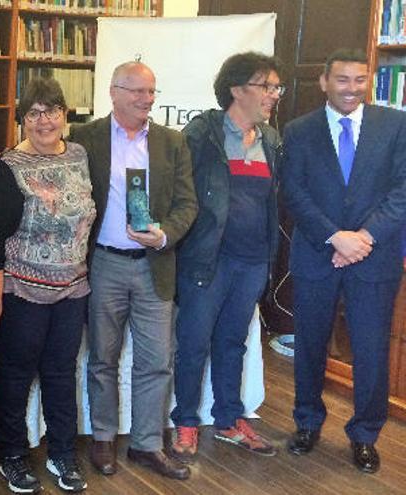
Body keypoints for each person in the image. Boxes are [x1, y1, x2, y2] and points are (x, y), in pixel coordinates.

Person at [69, 61, 197, 481]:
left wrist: (164, 236)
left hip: (154, 266)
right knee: (102, 357)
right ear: (114, 92)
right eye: (138, 92)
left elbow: (187, 204)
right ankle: (102, 438)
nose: (147, 100)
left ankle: (147, 444)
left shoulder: (171, 143)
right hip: (103, 263)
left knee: (157, 361)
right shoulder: (85, 139)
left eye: (152, 92)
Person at [281, 48, 406, 474]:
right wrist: (335, 237)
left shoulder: (396, 125)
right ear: (324, 82)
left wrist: (364, 238)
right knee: (309, 345)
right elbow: (293, 192)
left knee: (371, 350)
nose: (351, 89)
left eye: (360, 79)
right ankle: (307, 422)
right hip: (318, 254)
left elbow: (402, 191)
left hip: (374, 258)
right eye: (342, 80)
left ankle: (365, 434)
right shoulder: (299, 131)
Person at [0, 78, 95, 493]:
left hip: (72, 291)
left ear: (65, 114)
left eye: (52, 110)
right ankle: (12, 455)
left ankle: (63, 453)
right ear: (22, 119)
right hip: (21, 292)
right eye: (34, 112)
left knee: (62, 374)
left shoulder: (80, 155)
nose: (44, 120)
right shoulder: (8, 167)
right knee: (15, 374)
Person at [169, 52, 283, 462]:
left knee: (233, 342)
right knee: (194, 343)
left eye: (275, 87)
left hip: (253, 261)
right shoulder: (204, 134)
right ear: (237, 89)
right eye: (265, 86)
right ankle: (184, 421)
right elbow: (179, 192)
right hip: (208, 259)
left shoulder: (270, 139)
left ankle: (229, 420)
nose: (273, 95)